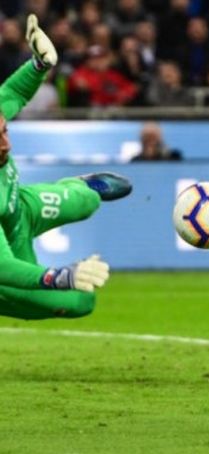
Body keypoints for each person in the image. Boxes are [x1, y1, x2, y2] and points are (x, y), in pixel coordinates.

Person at [0, 15, 132, 320]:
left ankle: (81, 186)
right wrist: (61, 276)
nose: (5, 143)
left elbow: (13, 95)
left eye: (4, 131)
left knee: (87, 201)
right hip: (4, 253)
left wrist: (40, 64)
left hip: (20, 209)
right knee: (80, 302)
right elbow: (3, 266)